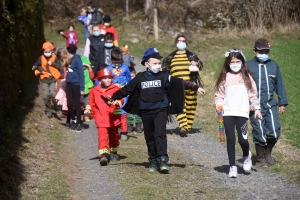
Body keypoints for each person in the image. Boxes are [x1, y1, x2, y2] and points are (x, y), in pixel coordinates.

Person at [110, 47, 206, 173]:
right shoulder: (140, 77)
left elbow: (180, 82)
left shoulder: (164, 76)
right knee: (149, 137)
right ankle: (153, 160)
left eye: (159, 63)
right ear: (147, 64)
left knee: (160, 134)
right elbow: (127, 89)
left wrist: (195, 87)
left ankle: (163, 160)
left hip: (161, 109)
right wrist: (113, 97)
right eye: (155, 63)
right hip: (145, 111)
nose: (157, 65)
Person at [215, 48, 262, 178]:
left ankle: (247, 155)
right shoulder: (224, 77)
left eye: (237, 61)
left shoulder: (247, 77)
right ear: (228, 63)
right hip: (228, 112)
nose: (235, 64)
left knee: (243, 139)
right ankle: (232, 166)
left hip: (242, 112)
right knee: (231, 139)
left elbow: (253, 94)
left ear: (242, 62)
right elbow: (219, 95)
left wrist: (256, 108)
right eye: (232, 61)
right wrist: (218, 105)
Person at [247, 38, 288, 167]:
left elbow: (279, 84)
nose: (264, 53)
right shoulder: (248, 66)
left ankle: (267, 152)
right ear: (254, 51)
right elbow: (242, 86)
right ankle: (260, 159)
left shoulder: (273, 65)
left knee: (275, 131)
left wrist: (282, 102)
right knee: (259, 130)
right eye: (261, 51)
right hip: (254, 105)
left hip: (270, 104)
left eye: (266, 51)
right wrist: (247, 103)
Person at [162, 34, 204, 137]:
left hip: (191, 85)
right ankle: (183, 126)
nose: (181, 42)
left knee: (190, 107)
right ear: (176, 43)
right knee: (180, 106)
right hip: (176, 85)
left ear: (186, 43)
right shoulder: (170, 57)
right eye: (179, 41)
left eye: (183, 41)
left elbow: (201, 66)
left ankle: (187, 127)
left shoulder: (192, 56)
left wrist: (197, 64)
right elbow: (164, 71)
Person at [84, 68, 124, 166]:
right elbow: (91, 102)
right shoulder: (94, 90)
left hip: (113, 118)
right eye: (105, 78)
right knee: (102, 137)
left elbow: (121, 99)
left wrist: (117, 102)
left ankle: (114, 152)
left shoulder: (115, 88)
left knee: (114, 136)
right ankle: (104, 155)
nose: (107, 80)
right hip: (101, 118)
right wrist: (88, 109)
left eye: (109, 78)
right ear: (100, 79)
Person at [106, 48, 131, 141]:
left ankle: (124, 132)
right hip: (112, 93)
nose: (116, 64)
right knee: (113, 111)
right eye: (114, 62)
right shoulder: (108, 69)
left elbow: (129, 79)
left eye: (118, 62)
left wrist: (129, 90)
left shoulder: (125, 68)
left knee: (123, 112)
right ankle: (113, 130)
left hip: (123, 93)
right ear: (111, 59)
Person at [57, 48, 85, 132]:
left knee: (76, 104)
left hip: (76, 84)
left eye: (63, 59)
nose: (63, 61)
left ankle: (79, 123)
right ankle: (73, 120)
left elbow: (81, 74)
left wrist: (82, 88)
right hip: (68, 84)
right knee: (69, 104)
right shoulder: (67, 61)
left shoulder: (76, 59)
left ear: (66, 55)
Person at [33, 42, 62, 118]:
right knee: (46, 95)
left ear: (52, 51)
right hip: (44, 79)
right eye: (45, 52)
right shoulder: (41, 58)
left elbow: (60, 66)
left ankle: (58, 109)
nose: (47, 53)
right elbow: (37, 65)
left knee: (53, 95)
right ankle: (49, 109)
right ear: (43, 51)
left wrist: (52, 63)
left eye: (48, 52)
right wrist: (40, 69)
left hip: (52, 79)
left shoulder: (55, 57)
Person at [127, 68, 142, 133]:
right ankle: (130, 126)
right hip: (129, 102)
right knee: (129, 114)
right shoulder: (127, 84)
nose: (132, 78)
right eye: (130, 76)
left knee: (138, 114)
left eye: (133, 76)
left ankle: (138, 126)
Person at [81, 56, 95, 122]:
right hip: (80, 88)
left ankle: (86, 116)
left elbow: (92, 77)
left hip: (88, 88)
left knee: (87, 103)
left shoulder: (88, 70)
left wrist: (90, 69)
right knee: (80, 103)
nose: (83, 67)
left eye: (85, 65)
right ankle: (79, 115)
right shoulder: (78, 71)